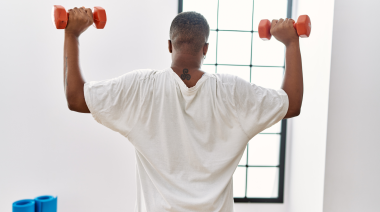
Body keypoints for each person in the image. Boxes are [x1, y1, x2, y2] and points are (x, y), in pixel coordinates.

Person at [63, 7, 303, 212]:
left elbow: (75, 98)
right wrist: (291, 42)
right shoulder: (233, 92)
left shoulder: (140, 88)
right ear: (205, 48)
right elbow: (291, 103)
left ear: (170, 45)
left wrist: (72, 33)